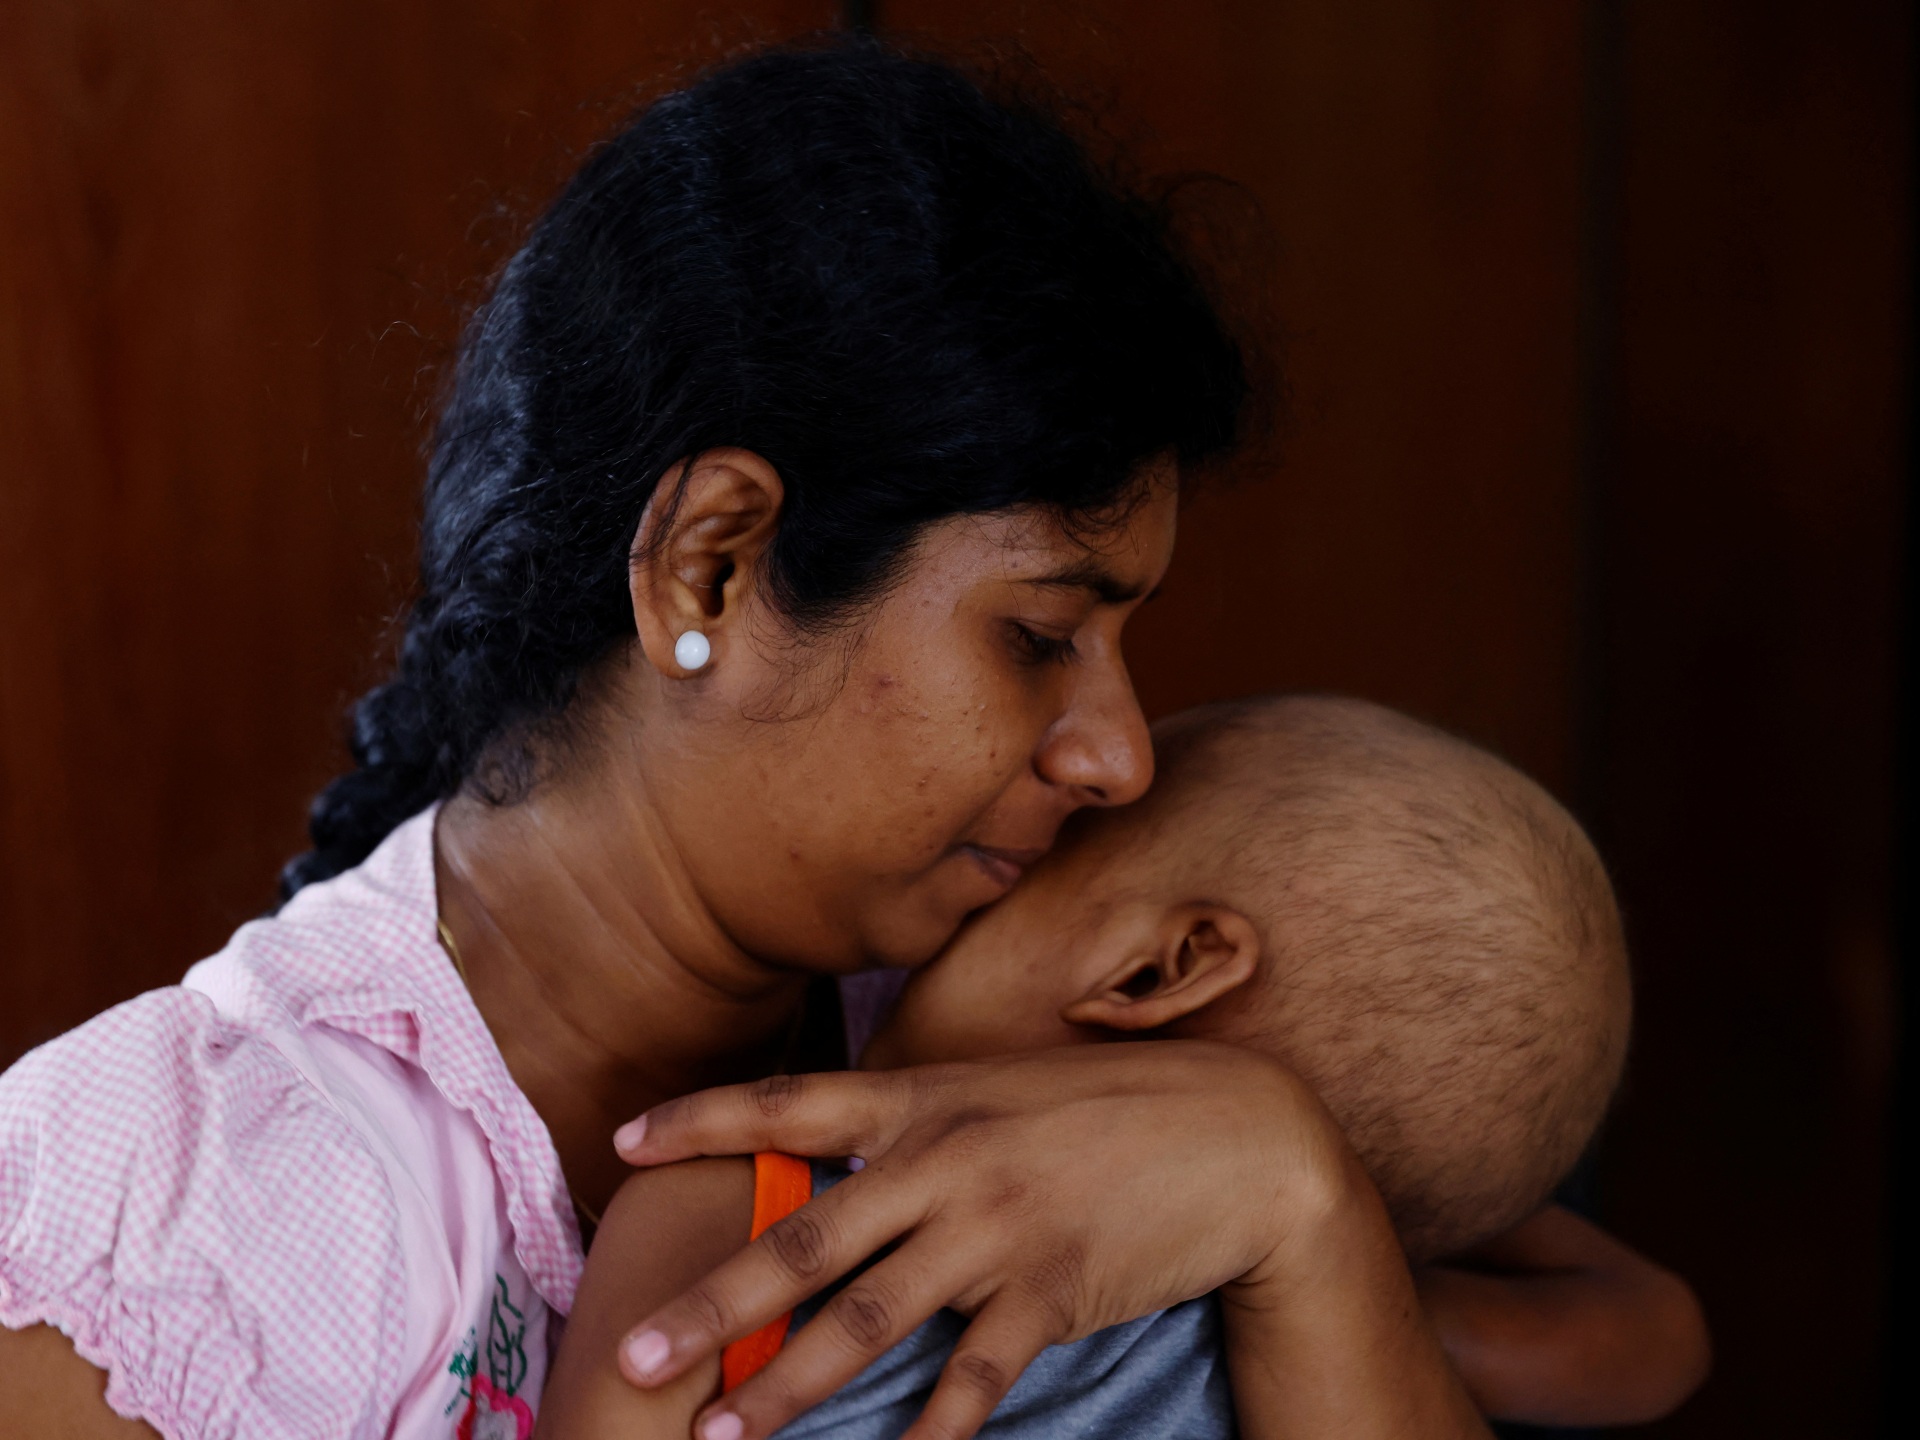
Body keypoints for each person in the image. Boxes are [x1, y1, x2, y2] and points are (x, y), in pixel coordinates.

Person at [1, 37, 1494, 1440]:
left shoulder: (1034, 1016)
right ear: (710, 562)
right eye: (1040, 637)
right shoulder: (159, 1212)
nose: (1118, 755)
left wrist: (1302, 1204)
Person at [539, 696, 1709, 1439]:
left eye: (1052, 852)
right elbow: (1652, 1331)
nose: (1011, 844)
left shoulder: (741, 1221)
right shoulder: (1349, 1342)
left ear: (1160, 974)